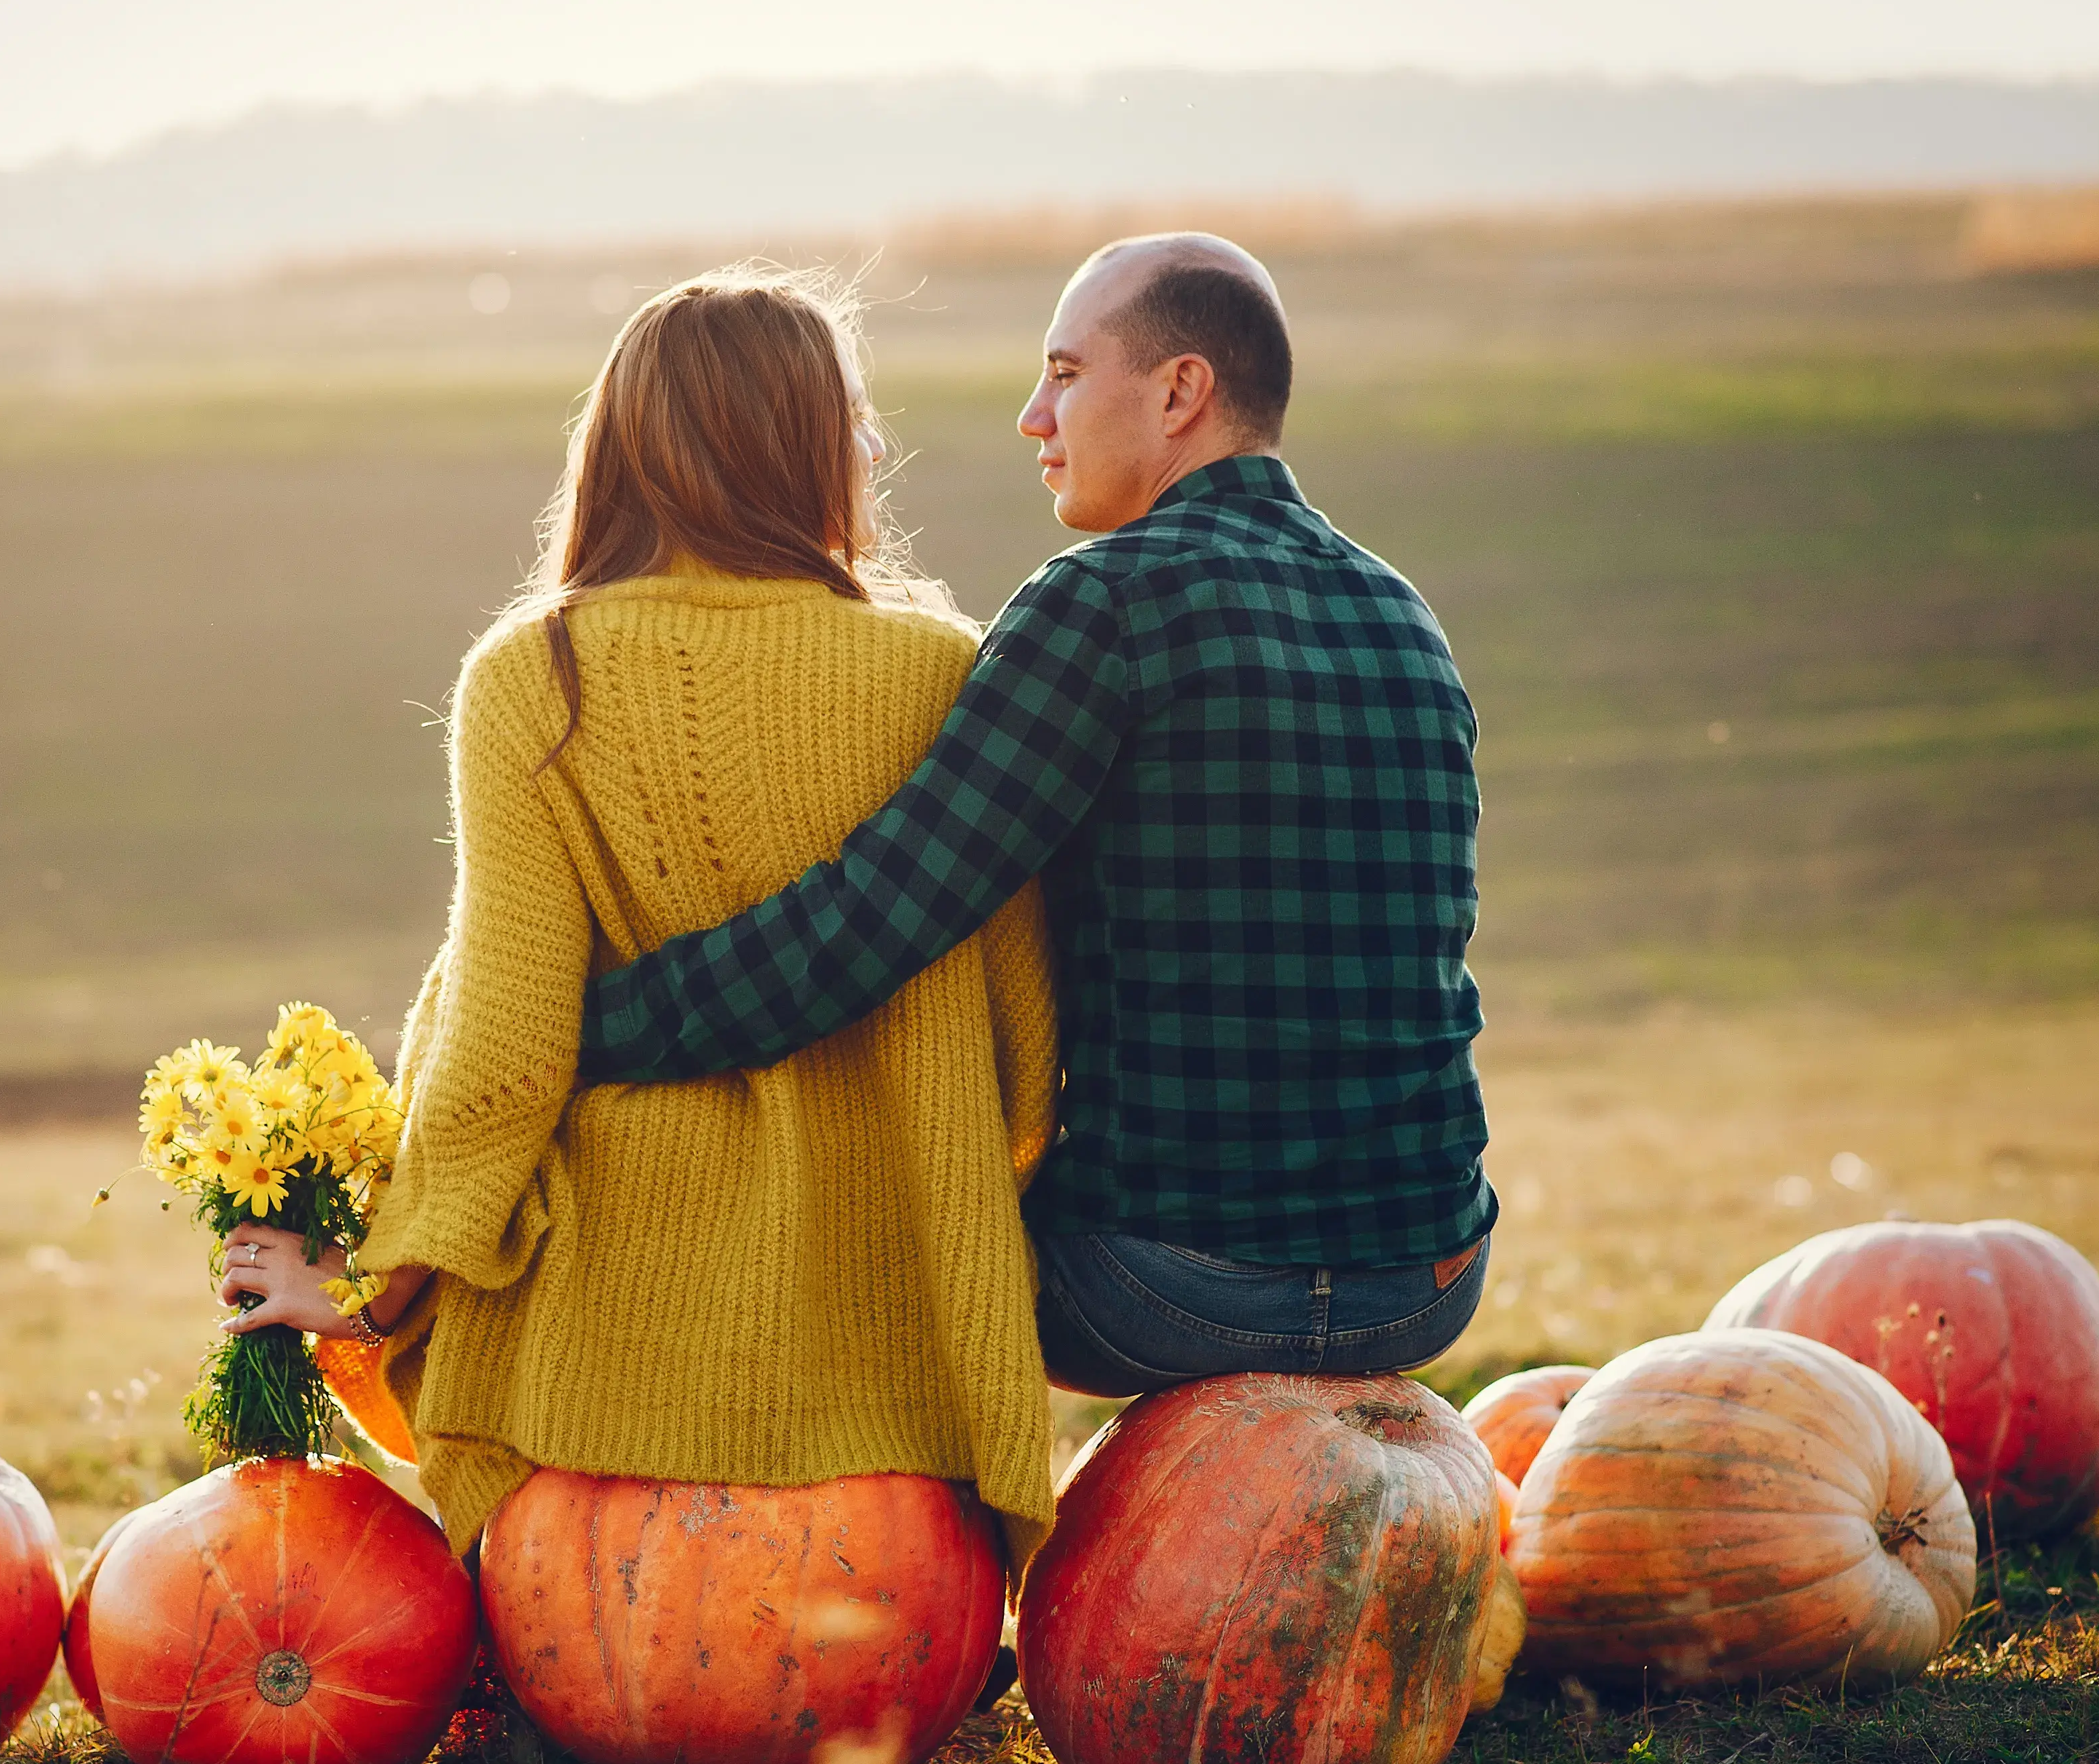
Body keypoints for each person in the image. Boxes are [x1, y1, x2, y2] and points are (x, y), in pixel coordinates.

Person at [210, 267, 1062, 1568]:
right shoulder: (943, 672)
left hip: (604, 1373)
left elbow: (503, 1039)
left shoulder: (529, 676)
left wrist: (377, 1289)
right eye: (854, 421)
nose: (873, 453)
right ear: (787, 448)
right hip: (890, 1352)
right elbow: (1024, 1038)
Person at [565, 234, 1495, 1396]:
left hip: (1163, 1286)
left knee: (845, 1253)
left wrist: (591, 1031)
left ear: (1180, 392)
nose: (1032, 418)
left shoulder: (1101, 602)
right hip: (1427, 1274)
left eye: (1063, 373)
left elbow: (874, 921)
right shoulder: (1400, 614)